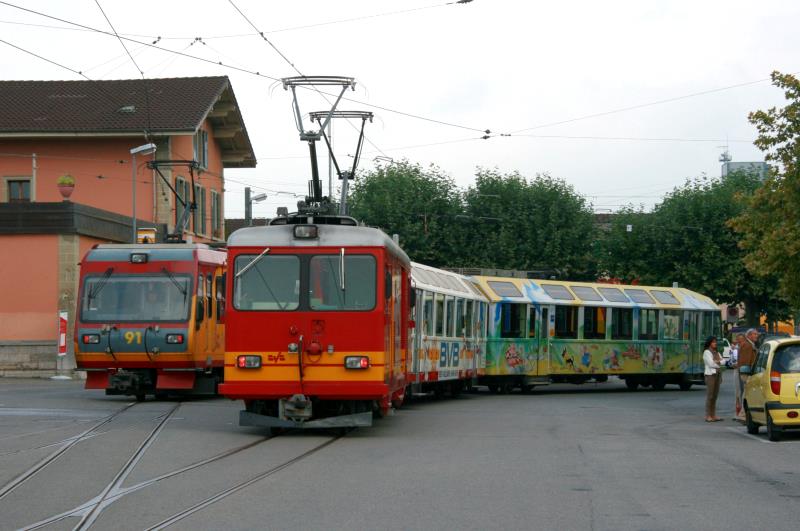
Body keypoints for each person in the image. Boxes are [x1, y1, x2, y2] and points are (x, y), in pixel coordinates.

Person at [734, 329, 758, 422]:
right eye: (754, 334)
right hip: (747, 373)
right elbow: (746, 361)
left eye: (756, 334)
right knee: (746, 393)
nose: (756, 336)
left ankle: (743, 414)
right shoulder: (748, 345)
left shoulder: (749, 344)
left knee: (745, 393)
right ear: (749, 335)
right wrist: (750, 371)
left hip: (745, 372)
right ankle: (742, 414)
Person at [703, 336, 724, 422]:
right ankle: (708, 415)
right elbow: (711, 364)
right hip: (710, 375)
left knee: (715, 396)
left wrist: (717, 362)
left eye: (715, 342)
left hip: (718, 374)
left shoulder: (717, 352)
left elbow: (723, 361)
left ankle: (713, 415)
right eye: (713, 342)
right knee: (710, 395)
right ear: (709, 343)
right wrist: (718, 362)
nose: (715, 343)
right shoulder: (707, 352)